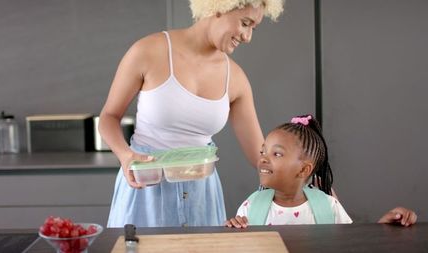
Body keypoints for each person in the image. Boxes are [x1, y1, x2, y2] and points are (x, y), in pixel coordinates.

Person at [98, 0, 285, 227]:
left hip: (201, 197)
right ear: (220, 7)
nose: (247, 37)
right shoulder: (148, 51)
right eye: (245, 23)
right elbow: (108, 117)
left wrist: (307, 181)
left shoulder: (236, 78)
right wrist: (125, 156)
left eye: (252, 28)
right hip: (145, 189)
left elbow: (259, 155)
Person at [225, 115, 418, 228]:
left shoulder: (328, 206)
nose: (263, 158)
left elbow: (351, 243)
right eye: (263, 151)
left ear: (304, 169)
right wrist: (234, 231)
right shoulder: (250, 207)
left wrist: (384, 228)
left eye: (276, 154)